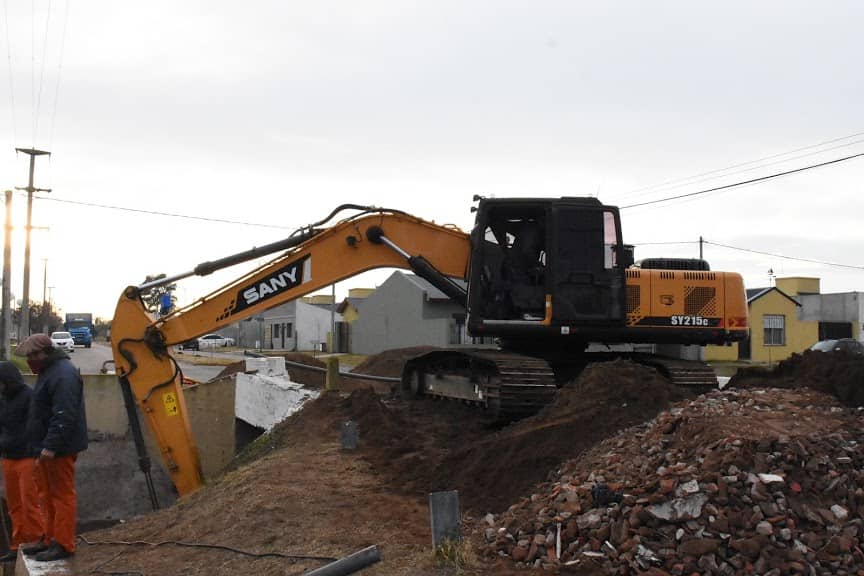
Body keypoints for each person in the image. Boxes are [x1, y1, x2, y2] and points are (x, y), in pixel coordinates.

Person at [14, 334, 88, 562]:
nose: (30, 360)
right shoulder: (50, 371)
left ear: (45, 352)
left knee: (61, 495)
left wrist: (51, 446)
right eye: (28, 356)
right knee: (46, 495)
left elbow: (64, 414)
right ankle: (49, 539)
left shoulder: (63, 374)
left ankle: (63, 543)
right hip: (47, 447)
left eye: (33, 355)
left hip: (58, 449)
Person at [0, 362, 45, 562]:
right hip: (8, 457)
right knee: (14, 505)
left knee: (30, 503)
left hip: (27, 457)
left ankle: (37, 539)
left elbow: (37, 425)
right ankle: (17, 543)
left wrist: (36, 452)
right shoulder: (3, 399)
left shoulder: (29, 396)